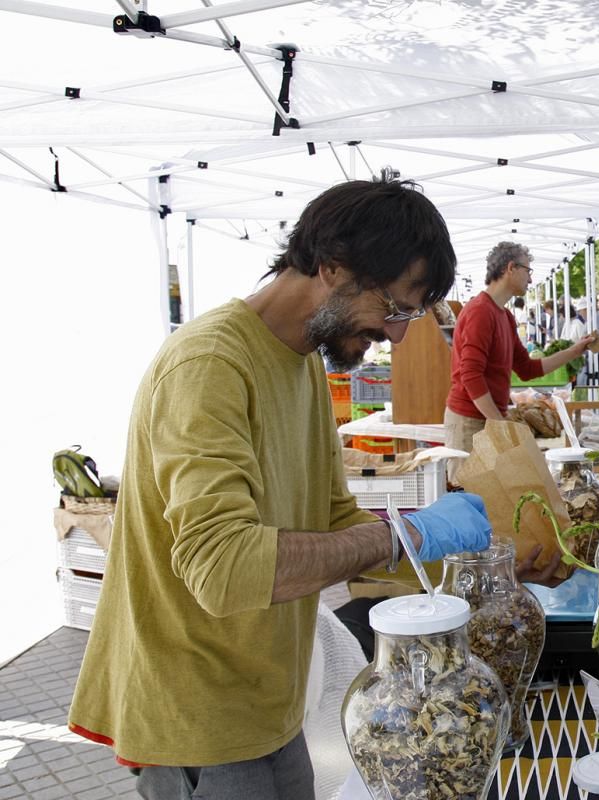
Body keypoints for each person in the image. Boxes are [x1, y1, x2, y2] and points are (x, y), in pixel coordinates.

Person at [68, 177, 496, 800]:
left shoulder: (300, 365)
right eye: (395, 309)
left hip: (271, 706)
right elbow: (224, 568)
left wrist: (465, 572)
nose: (398, 336)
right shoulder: (208, 366)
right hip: (199, 719)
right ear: (331, 265)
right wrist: (404, 535)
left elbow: (333, 523)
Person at [444, 242, 595, 477]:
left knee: (493, 497)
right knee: (470, 496)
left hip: (488, 419)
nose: (531, 280)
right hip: (470, 421)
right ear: (510, 268)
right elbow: (471, 375)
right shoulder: (480, 312)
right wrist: (499, 422)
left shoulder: (504, 316)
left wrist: (574, 351)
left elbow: (527, 369)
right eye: (528, 271)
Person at [578, 302, 599, 385]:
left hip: (598, 353)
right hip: (596, 353)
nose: (580, 314)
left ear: (586, 309)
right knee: (597, 380)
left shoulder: (595, 318)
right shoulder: (595, 318)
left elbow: (592, 336)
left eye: (581, 311)